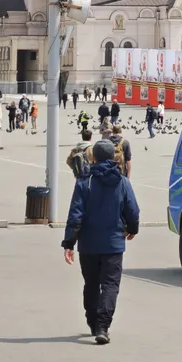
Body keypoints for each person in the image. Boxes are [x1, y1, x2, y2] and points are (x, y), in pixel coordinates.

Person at [61, 138, 140, 345]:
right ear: (113, 156)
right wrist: (132, 229)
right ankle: (103, 326)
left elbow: (75, 214)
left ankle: (93, 322)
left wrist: (69, 243)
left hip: (88, 244)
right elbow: (132, 210)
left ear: (93, 157)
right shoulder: (122, 181)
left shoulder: (84, 182)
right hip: (114, 243)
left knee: (92, 284)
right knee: (110, 284)